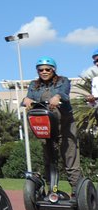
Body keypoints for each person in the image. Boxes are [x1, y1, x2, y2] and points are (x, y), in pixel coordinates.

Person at [23, 57, 83, 194]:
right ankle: (52, 189)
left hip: (65, 124)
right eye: (41, 69)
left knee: (70, 157)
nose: (44, 72)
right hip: (46, 125)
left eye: (47, 69)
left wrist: (57, 97)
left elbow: (64, 93)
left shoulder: (63, 81)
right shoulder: (34, 84)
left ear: (53, 69)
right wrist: (26, 99)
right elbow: (29, 97)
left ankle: (77, 191)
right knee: (48, 158)